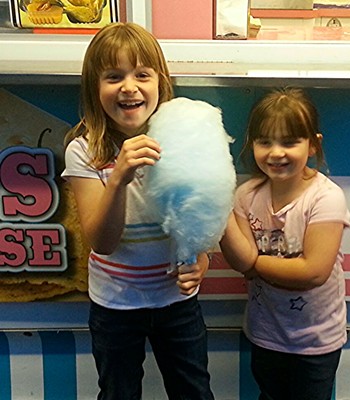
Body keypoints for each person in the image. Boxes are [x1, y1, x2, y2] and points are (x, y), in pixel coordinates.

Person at [62, 22, 214, 400]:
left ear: (160, 82)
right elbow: (102, 242)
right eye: (114, 76)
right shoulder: (84, 151)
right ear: (94, 88)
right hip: (115, 303)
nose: (129, 87)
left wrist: (202, 260)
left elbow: (199, 216)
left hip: (176, 302)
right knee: (118, 393)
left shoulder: (183, 141)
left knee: (194, 391)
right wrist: (119, 178)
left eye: (141, 75)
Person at [220, 87, 350, 400]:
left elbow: (313, 272)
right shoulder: (246, 196)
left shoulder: (325, 197)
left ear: (313, 146)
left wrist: (255, 263)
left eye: (289, 141)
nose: (276, 152)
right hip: (265, 335)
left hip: (317, 341)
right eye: (264, 141)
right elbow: (240, 261)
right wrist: (218, 209)